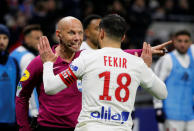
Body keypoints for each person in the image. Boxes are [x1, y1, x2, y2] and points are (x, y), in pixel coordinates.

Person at [40, 14, 168, 131]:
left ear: (101, 33)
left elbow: (51, 87)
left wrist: (47, 63)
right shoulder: (137, 64)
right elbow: (162, 93)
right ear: (123, 37)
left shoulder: (86, 59)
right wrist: (146, 67)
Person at [154, 30, 194, 131]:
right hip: (171, 115)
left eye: (186, 41)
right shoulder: (167, 60)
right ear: (174, 42)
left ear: (190, 43)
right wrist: (158, 108)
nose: (183, 44)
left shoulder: (192, 60)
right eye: (180, 41)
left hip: (190, 115)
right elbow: (157, 84)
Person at [11, 24, 43, 120]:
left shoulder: (15, 53)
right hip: (29, 111)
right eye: (37, 38)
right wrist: (34, 111)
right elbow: (28, 86)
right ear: (27, 39)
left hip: (15, 107)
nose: (41, 42)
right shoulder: (29, 58)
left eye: (42, 38)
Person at [0, 24, 20, 130]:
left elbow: (19, 89)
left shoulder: (14, 62)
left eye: (5, 38)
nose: (2, 41)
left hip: (10, 118)